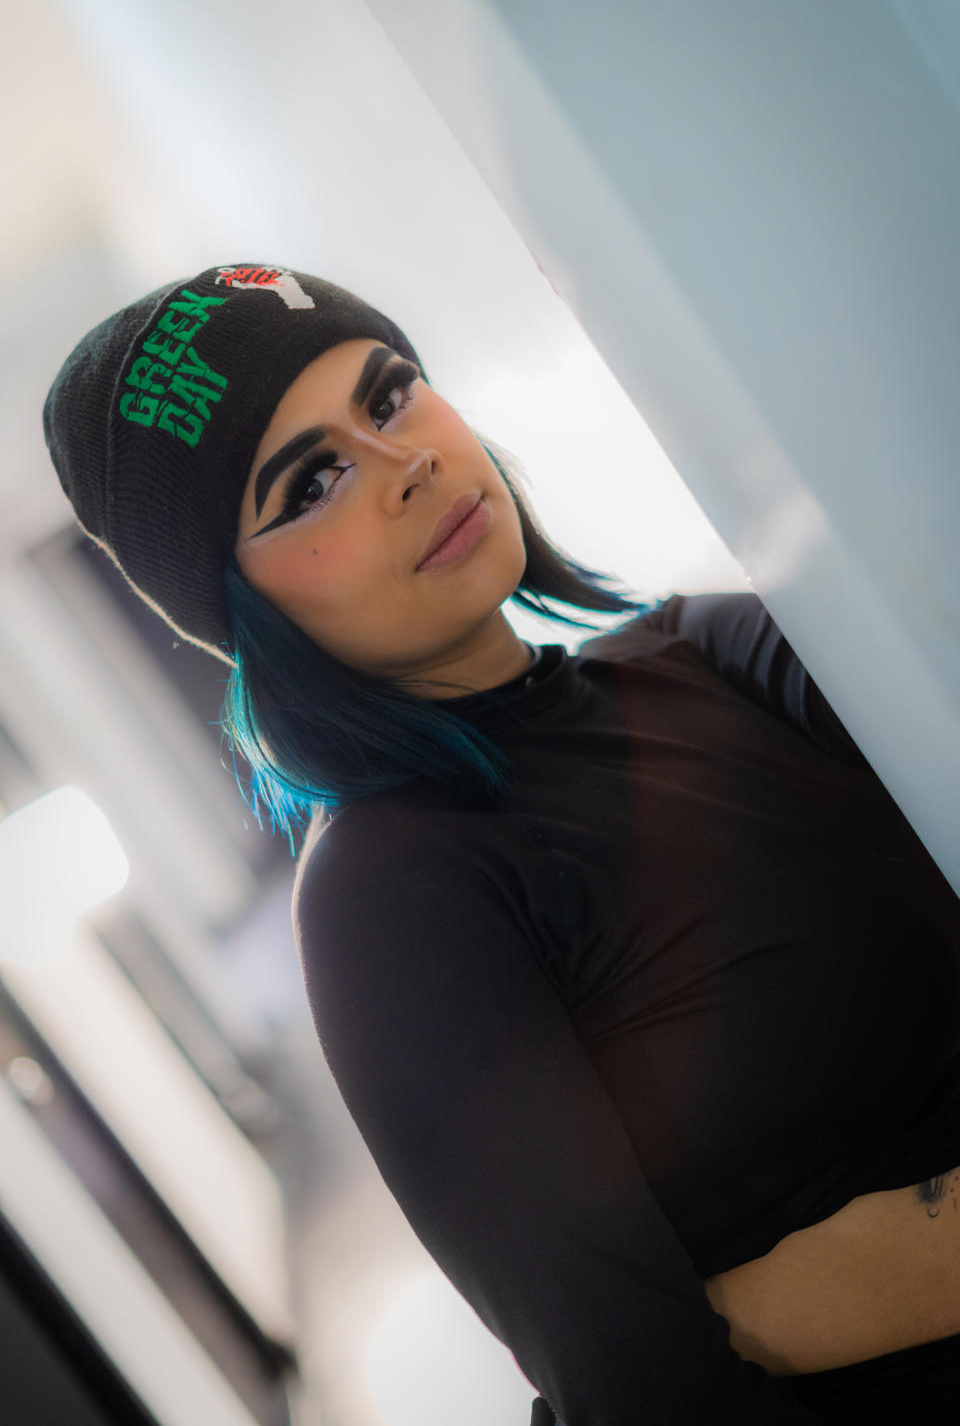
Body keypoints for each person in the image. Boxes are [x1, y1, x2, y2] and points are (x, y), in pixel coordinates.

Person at [43, 263, 960, 1423]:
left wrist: (805, 1297)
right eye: (312, 483)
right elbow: (644, 1386)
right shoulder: (389, 891)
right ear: (241, 609)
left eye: (389, 396)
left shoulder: (705, 649)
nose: (404, 464)